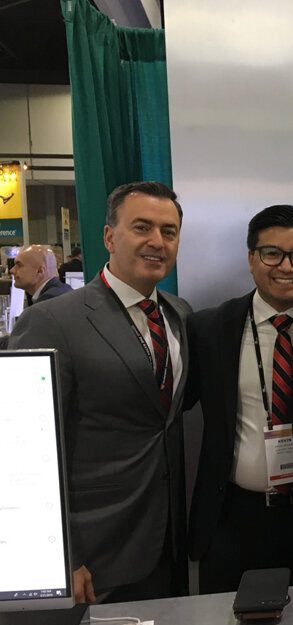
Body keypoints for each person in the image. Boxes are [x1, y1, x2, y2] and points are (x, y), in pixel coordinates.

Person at [9, 181, 191, 603]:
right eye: (142, 227)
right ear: (109, 236)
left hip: (165, 544)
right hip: (92, 557)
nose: (157, 241)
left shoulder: (179, 314)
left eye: (169, 231)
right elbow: (22, 450)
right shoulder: (53, 321)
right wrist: (60, 556)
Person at [185, 205, 293, 592]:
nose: (287, 266)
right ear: (251, 259)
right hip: (234, 518)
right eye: (272, 253)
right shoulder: (209, 328)